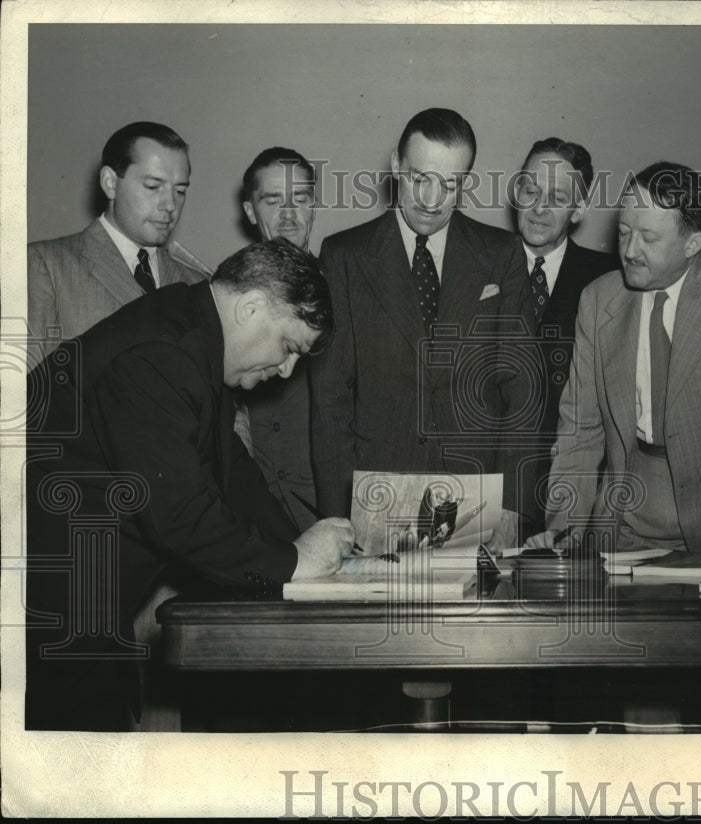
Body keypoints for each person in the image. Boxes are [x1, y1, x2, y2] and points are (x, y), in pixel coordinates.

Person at [25, 240, 355, 730]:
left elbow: (230, 470)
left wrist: (297, 551)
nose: (287, 370)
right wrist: (294, 560)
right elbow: (179, 514)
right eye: (289, 347)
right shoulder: (163, 352)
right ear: (251, 307)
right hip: (43, 603)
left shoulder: (193, 338)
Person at [527, 161, 701, 554]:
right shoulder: (598, 300)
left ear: (693, 245)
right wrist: (565, 529)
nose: (629, 251)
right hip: (625, 521)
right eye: (624, 232)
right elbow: (580, 428)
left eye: (648, 238)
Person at [310, 108, 536, 544]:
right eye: (419, 179)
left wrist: (515, 507)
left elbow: (522, 389)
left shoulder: (502, 253)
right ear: (396, 166)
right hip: (375, 499)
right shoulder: (344, 256)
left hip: (480, 497)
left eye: (450, 184)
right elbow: (330, 402)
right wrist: (337, 518)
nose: (432, 200)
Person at [28, 121, 209, 356]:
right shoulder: (46, 266)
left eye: (180, 191)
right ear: (110, 183)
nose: (170, 205)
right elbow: (26, 385)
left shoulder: (196, 284)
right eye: (153, 186)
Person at [512, 137, 618, 531]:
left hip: (577, 497)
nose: (539, 207)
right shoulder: (473, 265)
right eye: (530, 189)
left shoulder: (612, 280)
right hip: (489, 493)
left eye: (557, 197)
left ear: (580, 209)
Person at [239, 147, 319, 530]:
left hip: (327, 510)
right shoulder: (225, 298)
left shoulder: (350, 289)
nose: (288, 215)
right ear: (251, 211)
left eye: (300, 199)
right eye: (273, 200)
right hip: (253, 517)